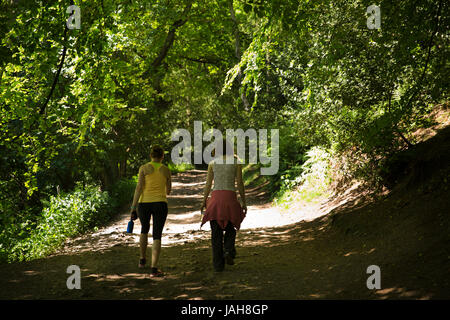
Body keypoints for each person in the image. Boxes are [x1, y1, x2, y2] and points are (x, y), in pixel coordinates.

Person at [200, 139, 247, 272]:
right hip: (230, 198)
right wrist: (243, 201)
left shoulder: (212, 163)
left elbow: (208, 185)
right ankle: (228, 250)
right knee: (231, 228)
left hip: (215, 199)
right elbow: (240, 183)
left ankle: (218, 265)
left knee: (216, 233)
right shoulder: (236, 162)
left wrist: (204, 201)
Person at [130, 145, 171, 278]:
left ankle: (142, 260)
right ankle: (154, 268)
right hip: (160, 203)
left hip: (144, 204)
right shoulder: (166, 170)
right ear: (162, 156)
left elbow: (139, 188)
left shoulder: (143, 168)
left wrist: (133, 207)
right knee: (157, 234)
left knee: (144, 229)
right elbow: (168, 191)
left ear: (150, 156)